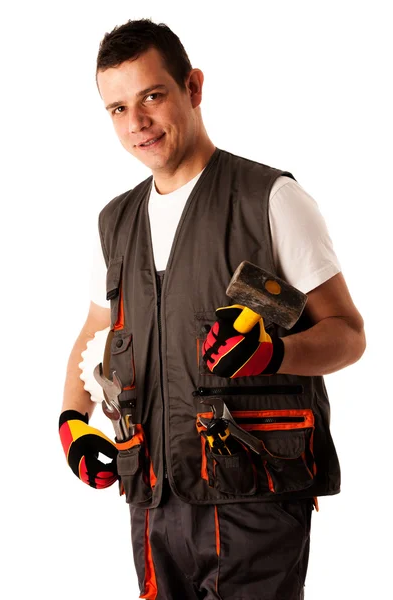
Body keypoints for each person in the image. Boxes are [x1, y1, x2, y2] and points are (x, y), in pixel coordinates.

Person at [60, 18, 366, 600]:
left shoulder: (270, 198)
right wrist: (72, 423)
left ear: (193, 88)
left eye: (152, 96)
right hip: (152, 496)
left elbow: (349, 335)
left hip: (256, 496)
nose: (137, 123)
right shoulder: (115, 221)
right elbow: (97, 332)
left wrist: (279, 352)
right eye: (117, 109)